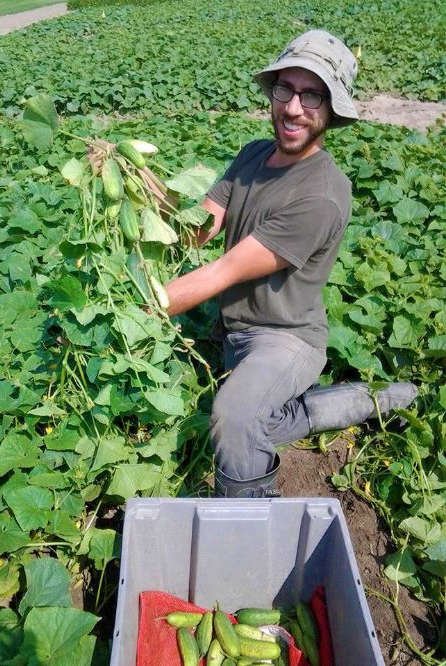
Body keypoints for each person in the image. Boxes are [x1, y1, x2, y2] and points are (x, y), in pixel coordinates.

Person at [162, 30, 418, 497]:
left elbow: (224, 272)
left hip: (285, 341)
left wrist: (147, 307)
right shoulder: (253, 155)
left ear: (331, 109)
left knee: (236, 417)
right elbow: (199, 227)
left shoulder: (323, 193)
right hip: (235, 332)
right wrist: (144, 193)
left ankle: (247, 517)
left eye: (312, 95)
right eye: (286, 89)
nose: (294, 108)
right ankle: (370, 401)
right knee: (265, 419)